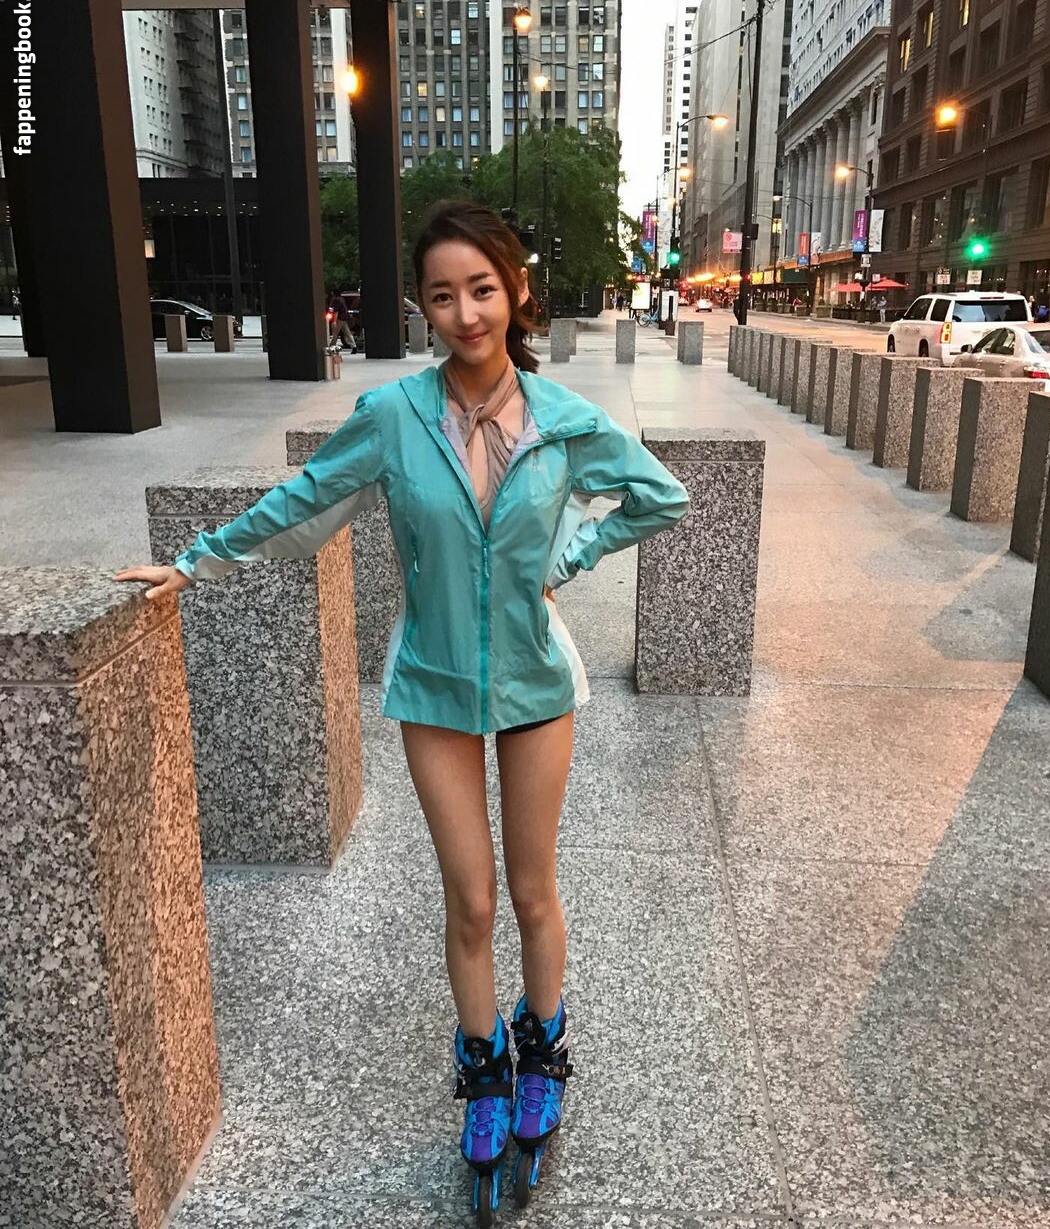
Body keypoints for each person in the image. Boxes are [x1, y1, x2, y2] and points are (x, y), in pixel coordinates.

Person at [114, 199, 689, 1214]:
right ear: (423, 305)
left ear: (516, 292)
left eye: (483, 289)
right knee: (469, 899)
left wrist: (571, 555)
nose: (466, 313)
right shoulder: (394, 416)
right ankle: (482, 1067)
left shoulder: (565, 422)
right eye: (443, 294)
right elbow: (305, 499)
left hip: (535, 681)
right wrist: (195, 562)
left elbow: (659, 497)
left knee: (532, 891)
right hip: (431, 680)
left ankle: (544, 1050)